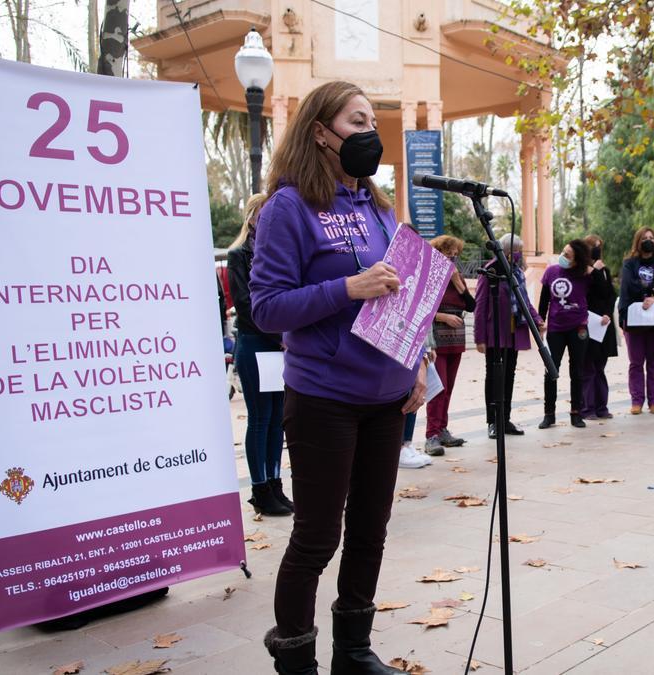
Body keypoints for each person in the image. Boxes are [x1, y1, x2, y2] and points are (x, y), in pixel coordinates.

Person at [251, 81, 427, 675]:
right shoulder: (288, 207)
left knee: (370, 531)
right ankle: (296, 656)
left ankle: (353, 650)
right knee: (318, 536)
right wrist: (346, 288)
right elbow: (267, 308)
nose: (369, 134)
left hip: (387, 397)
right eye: (356, 122)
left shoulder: (379, 209)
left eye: (372, 122)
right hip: (324, 396)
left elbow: (403, 297)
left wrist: (418, 362)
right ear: (321, 132)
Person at [227, 193, 292, 516]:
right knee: (260, 418)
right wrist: (281, 335)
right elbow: (246, 304)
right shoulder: (239, 255)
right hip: (255, 342)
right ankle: (259, 487)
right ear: (253, 217)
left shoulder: (278, 253)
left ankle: (276, 483)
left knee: (278, 418)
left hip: (278, 344)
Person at [474, 233, 543, 438]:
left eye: (520, 250)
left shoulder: (518, 273)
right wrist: (479, 337)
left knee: (509, 375)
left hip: (514, 332)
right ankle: (492, 422)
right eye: (515, 250)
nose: (518, 254)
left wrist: (537, 319)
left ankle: (505, 419)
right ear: (504, 251)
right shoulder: (491, 270)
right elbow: (480, 304)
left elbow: (525, 300)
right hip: (495, 332)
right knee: (494, 376)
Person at [424, 235, 476, 454]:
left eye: (455, 254)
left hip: (456, 339)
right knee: (438, 387)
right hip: (437, 338)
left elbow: (472, 306)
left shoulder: (458, 278)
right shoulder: (430, 277)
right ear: (438, 253)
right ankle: (431, 435)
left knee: (449, 388)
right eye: (448, 253)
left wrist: (458, 283)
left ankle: (443, 429)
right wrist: (443, 317)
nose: (453, 258)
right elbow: (423, 309)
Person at [619, 227, 654, 414]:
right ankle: (636, 401)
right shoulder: (629, 263)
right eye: (644, 238)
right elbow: (629, 283)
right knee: (636, 362)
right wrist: (652, 291)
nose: (648, 240)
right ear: (638, 241)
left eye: (651, 237)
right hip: (634, 320)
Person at [538, 240, 592, 429]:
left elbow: (603, 292)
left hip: (579, 328)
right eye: (563, 252)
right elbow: (544, 299)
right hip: (555, 328)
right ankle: (549, 414)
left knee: (577, 371)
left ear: (577, 260)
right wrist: (540, 320)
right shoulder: (551, 272)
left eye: (568, 255)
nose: (563, 256)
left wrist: (595, 271)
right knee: (551, 370)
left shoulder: (585, 275)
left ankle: (576, 413)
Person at [580, 234, 617, 419]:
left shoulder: (604, 269)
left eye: (599, 245)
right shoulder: (583, 271)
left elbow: (609, 294)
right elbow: (586, 292)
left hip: (603, 325)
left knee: (600, 368)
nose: (597, 248)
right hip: (588, 325)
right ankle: (587, 408)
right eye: (594, 245)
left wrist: (608, 314)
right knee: (589, 369)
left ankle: (602, 407)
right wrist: (594, 271)